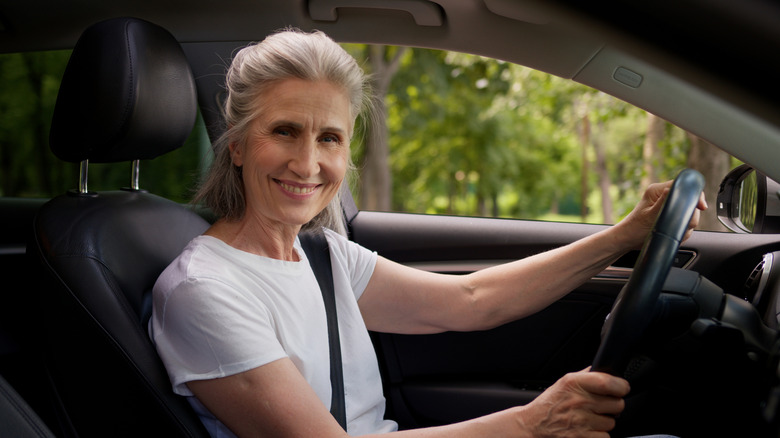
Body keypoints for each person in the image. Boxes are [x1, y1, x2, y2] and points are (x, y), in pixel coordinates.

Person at [149, 28, 705, 438]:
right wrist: (531, 423)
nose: (307, 163)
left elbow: (470, 301)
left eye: (330, 139)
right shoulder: (205, 291)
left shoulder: (321, 256)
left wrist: (625, 235)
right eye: (285, 131)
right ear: (239, 145)